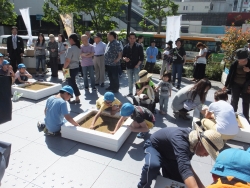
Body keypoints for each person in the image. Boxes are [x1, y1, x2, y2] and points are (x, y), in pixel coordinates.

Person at [137, 123, 224, 188]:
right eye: (207, 151)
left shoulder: (194, 142)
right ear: (201, 143)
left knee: (179, 183)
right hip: (155, 147)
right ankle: (142, 186)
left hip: (172, 157)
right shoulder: (181, 140)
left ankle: (159, 175)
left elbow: (187, 166)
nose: (206, 155)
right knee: (152, 166)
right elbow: (184, 169)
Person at [222, 48, 250, 123]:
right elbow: (230, 75)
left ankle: (246, 118)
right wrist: (226, 86)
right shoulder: (235, 64)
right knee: (234, 100)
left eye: (240, 59)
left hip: (247, 86)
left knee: (246, 102)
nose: (238, 60)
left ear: (245, 58)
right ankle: (232, 116)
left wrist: (249, 70)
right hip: (235, 84)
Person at [63, 33, 81, 104]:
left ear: (71, 39)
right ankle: (72, 97)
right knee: (71, 83)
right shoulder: (78, 48)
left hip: (69, 68)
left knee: (71, 83)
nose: (68, 41)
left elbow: (68, 60)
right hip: (76, 67)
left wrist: (64, 68)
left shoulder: (70, 49)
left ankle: (76, 97)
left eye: (69, 39)